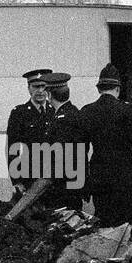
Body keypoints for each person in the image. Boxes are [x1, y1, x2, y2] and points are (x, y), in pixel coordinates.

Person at [77, 63, 132, 226]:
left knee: (104, 219)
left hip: (99, 176)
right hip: (125, 178)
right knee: (124, 224)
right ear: (118, 89)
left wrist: (84, 182)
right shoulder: (128, 111)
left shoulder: (87, 111)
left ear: (98, 89)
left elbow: (81, 150)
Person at [41, 72, 86, 211]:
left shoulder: (63, 120)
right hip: (71, 184)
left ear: (49, 95)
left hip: (62, 188)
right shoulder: (73, 113)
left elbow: (59, 156)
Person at [5, 69, 52, 194]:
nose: (40, 91)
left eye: (43, 86)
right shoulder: (19, 113)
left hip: (52, 178)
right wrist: (17, 181)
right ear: (29, 88)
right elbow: (13, 148)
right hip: (29, 178)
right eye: (36, 87)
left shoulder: (55, 111)